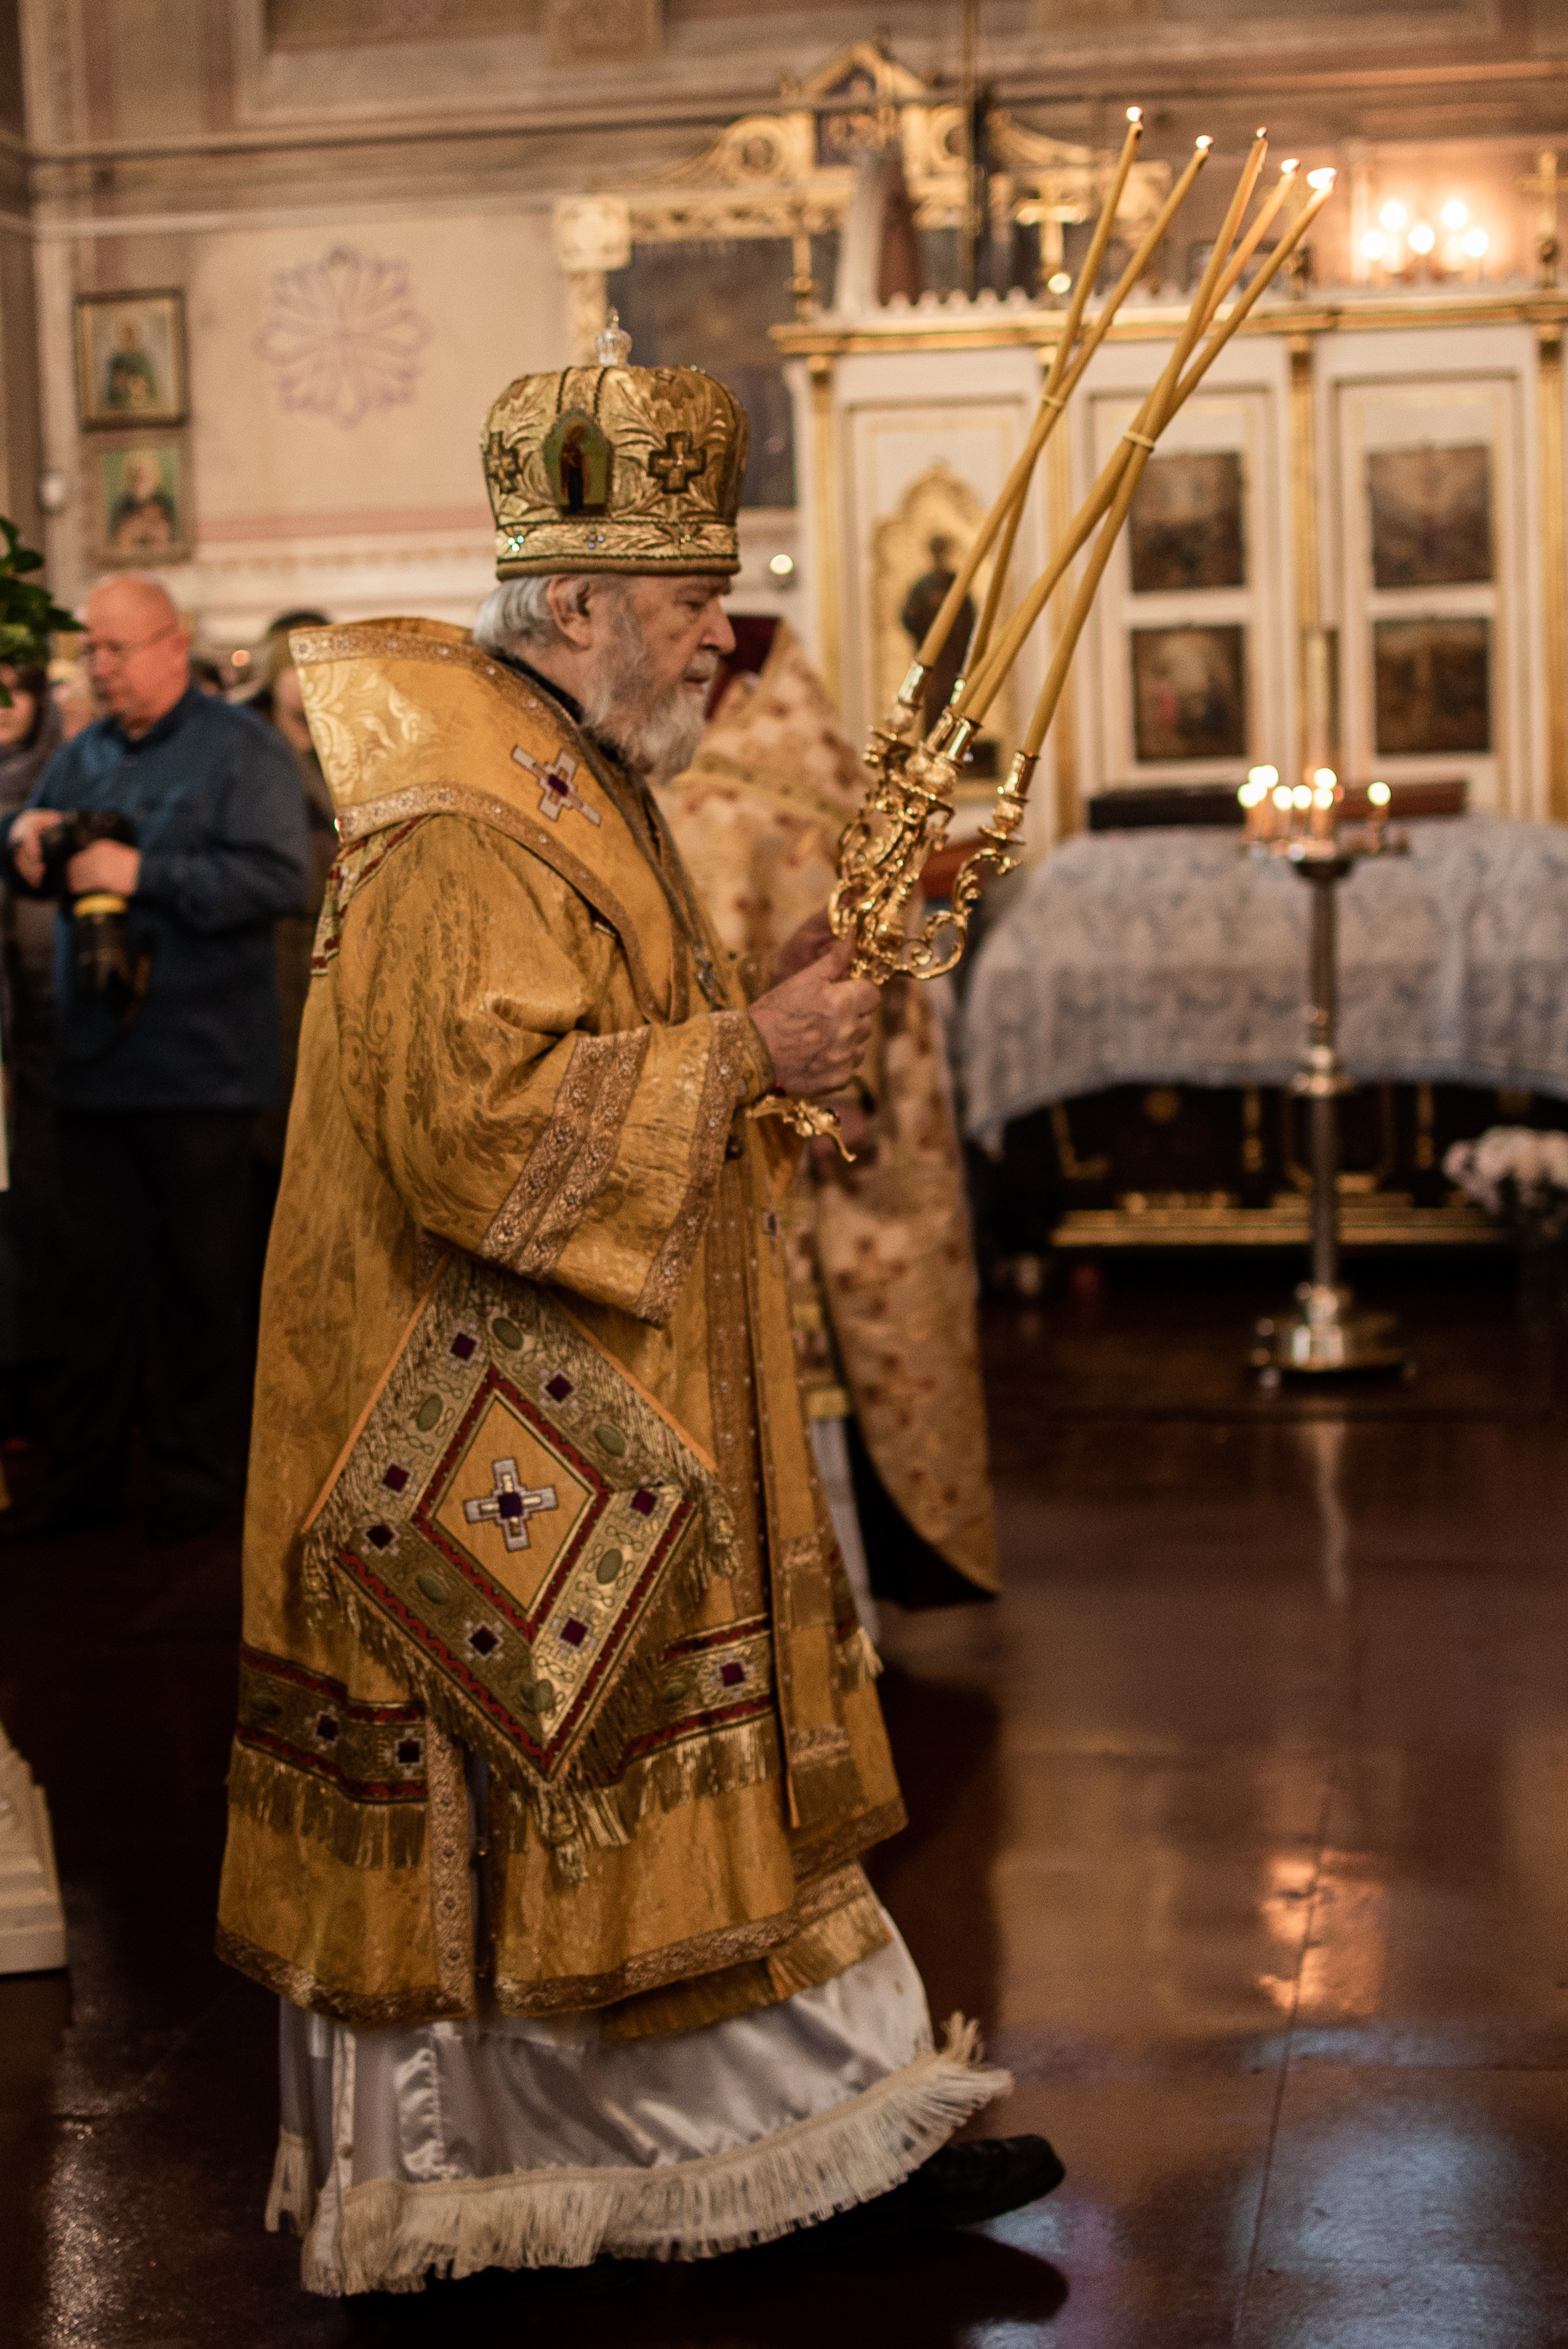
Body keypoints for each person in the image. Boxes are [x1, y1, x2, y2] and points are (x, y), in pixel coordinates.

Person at [217, 340, 1061, 2297]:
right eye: (691, 606)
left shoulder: (570, 766)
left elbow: (601, 1048)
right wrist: (742, 1050)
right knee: (549, 1794)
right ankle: (507, 2172)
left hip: (578, 1396)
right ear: (580, 600)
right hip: (471, 1426)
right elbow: (470, 1131)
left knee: (690, 1768)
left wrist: (754, 1045)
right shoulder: (458, 816)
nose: (715, 642)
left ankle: (823, 2123)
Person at [657, 620, 998, 1630]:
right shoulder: (683, 756)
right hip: (713, 1110)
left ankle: (826, 1614)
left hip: (795, 1125)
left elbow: (845, 941)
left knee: (813, 1378)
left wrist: (827, 1074)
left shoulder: (773, 779)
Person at [2, 574, 309, 1544]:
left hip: (204, 1074)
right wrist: (21, 837)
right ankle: (84, 1487)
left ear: (174, 647)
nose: (97, 667)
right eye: (89, 651)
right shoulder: (85, 751)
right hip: (93, 1071)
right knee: (91, 1291)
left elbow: (282, 876)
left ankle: (198, 1495)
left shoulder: (242, 748)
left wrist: (145, 874)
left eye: (115, 650)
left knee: (201, 1292)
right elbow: (23, 844)